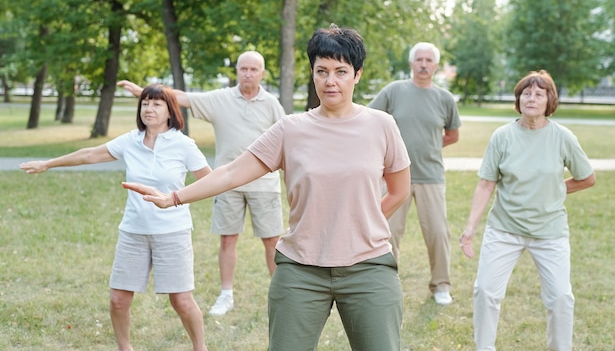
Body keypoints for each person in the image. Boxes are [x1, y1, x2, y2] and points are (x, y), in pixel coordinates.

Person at [123, 25, 411, 351]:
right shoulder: (291, 128)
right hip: (301, 271)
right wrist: (174, 197)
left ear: (357, 75)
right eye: (322, 71)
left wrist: (360, 221)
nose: (331, 81)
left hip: (368, 268)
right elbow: (231, 172)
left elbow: (400, 190)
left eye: (341, 71)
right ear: (313, 73)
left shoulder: (381, 125)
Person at [19, 84, 212, 351]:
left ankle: (200, 348)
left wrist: (176, 198)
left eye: (157, 104)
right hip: (133, 230)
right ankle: (125, 348)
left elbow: (210, 182)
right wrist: (47, 163)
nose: (149, 109)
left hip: (172, 231)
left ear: (170, 110)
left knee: (181, 301)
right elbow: (88, 154)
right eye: (145, 103)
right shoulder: (130, 141)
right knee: (118, 300)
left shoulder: (183, 144)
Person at [117, 50, 285, 317]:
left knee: (272, 240)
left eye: (254, 69)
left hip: (264, 184)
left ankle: (281, 295)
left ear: (262, 73)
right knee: (228, 239)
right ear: (237, 71)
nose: (248, 74)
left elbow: (285, 142)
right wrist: (144, 93)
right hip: (225, 182)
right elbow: (180, 98)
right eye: (243, 69)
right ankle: (226, 294)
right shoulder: (221, 99)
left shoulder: (272, 104)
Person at [459, 70, 596, 351]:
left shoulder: (563, 137)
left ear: (550, 101)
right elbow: (487, 184)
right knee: (485, 292)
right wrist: (470, 228)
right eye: (525, 93)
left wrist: (555, 190)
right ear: (518, 99)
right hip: (504, 229)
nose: (531, 98)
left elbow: (587, 177)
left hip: (549, 232)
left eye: (538, 93)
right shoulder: (503, 136)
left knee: (560, 297)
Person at [368, 41, 460, 305]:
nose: (423, 64)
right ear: (411, 63)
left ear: (435, 66)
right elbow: (369, 121)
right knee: (387, 231)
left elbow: (452, 134)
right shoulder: (393, 91)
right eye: (418, 59)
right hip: (394, 176)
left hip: (431, 176)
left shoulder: (444, 98)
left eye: (429, 60)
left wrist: (429, 146)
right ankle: (385, 282)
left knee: (438, 233)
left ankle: (441, 285)